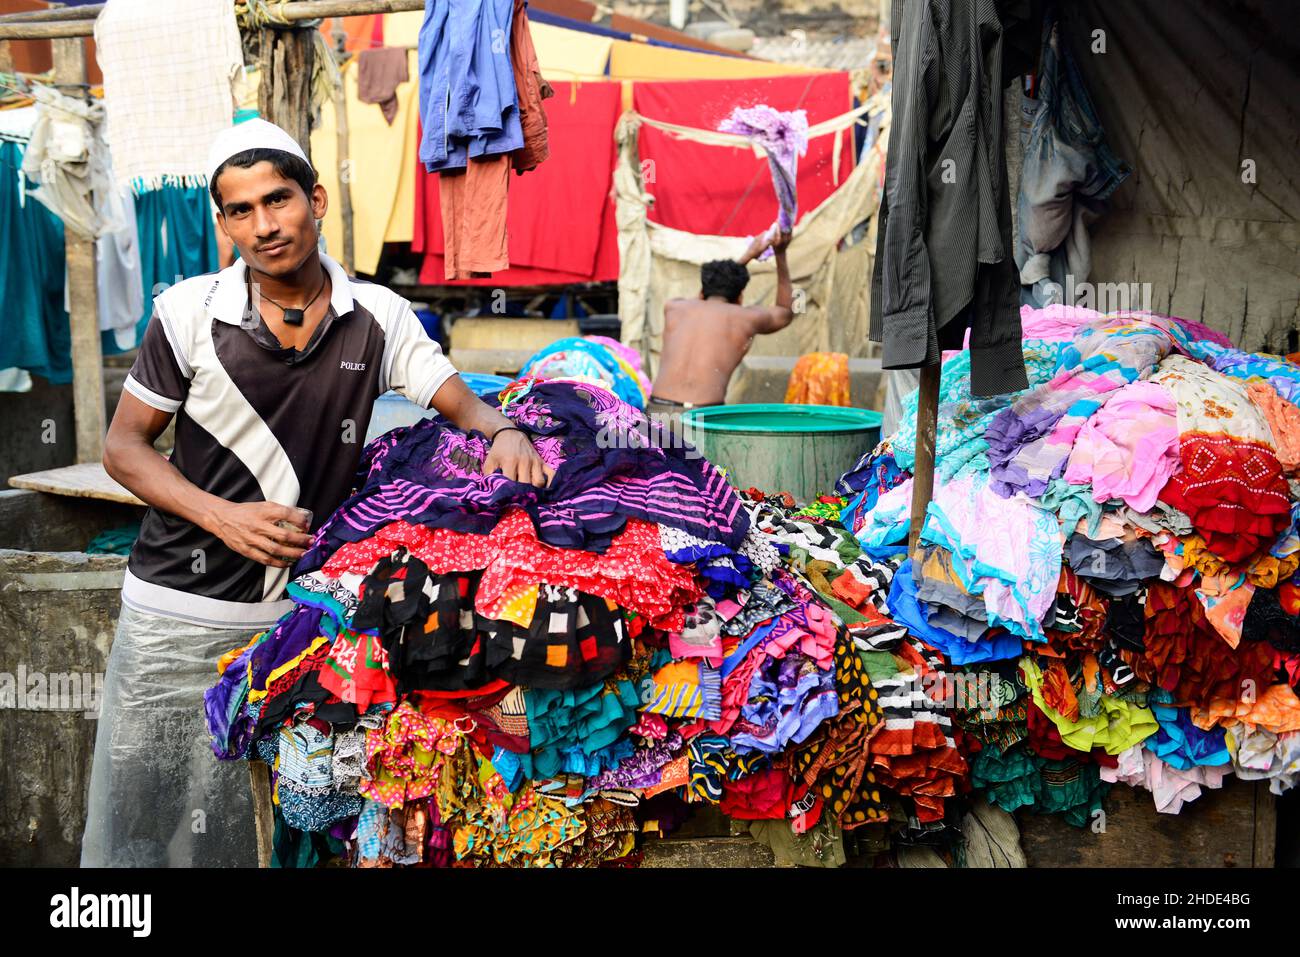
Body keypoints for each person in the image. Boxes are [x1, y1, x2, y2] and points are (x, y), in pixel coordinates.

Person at [81, 119, 551, 868]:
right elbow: (122, 447)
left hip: (294, 628)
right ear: (223, 222)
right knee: (138, 817)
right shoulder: (187, 313)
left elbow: (461, 403)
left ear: (317, 198)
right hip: (172, 611)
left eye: (279, 199)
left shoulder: (379, 318)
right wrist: (221, 516)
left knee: (256, 824)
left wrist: (504, 432)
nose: (264, 226)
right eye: (240, 210)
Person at [648, 227, 795, 421]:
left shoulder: (674, 308)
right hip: (702, 418)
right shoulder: (745, 317)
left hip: (657, 411)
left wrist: (747, 256)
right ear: (740, 298)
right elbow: (785, 311)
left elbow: (710, 290)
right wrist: (780, 254)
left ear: (702, 292)